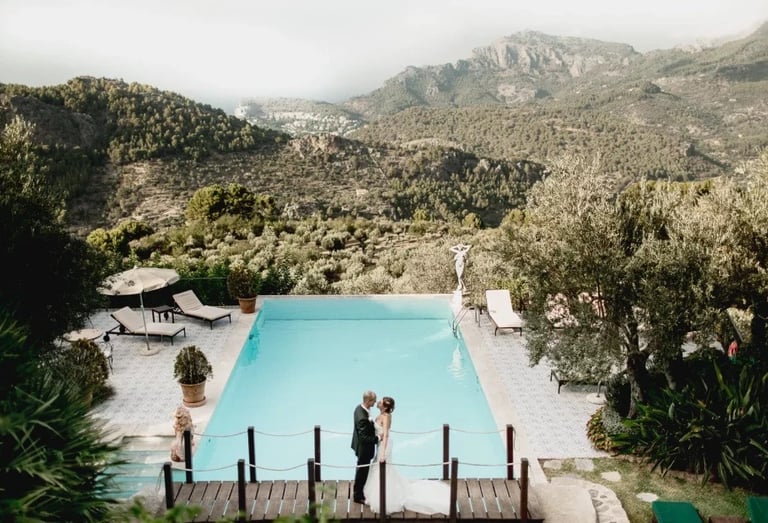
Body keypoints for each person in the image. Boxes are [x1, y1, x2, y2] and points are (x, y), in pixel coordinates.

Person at [363, 396, 450, 515]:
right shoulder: (381, 415)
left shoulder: (386, 417)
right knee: (377, 468)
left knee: (383, 468)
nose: (378, 402)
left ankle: (386, 497)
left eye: (381, 402)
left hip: (384, 445)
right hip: (380, 444)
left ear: (384, 407)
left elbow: (386, 435)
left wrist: (383, 453)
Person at [351, 390, 378, 504]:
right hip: (364, 449)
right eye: (373, 401)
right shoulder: (362, 417)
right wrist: (377, 438)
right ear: (368, 400)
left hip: (360, 446)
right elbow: (364, 438)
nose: (375, 403)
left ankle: (359, 491)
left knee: (361, 470)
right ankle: (358, 495)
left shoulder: (359, 408)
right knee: (362, 472)